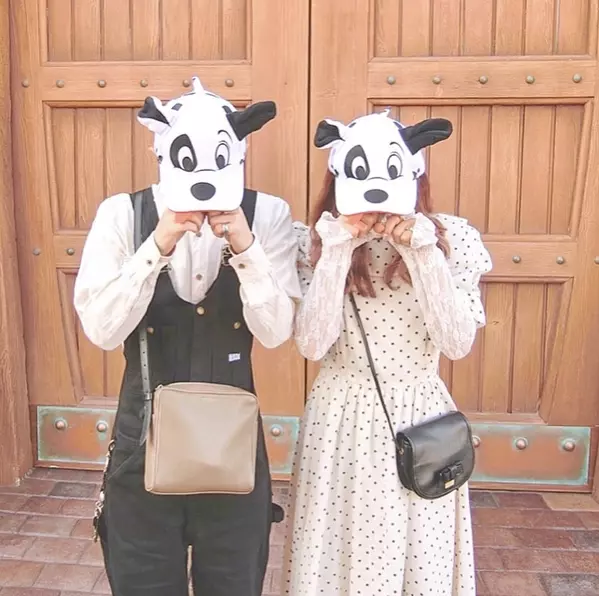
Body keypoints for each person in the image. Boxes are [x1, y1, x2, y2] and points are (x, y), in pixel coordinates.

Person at [74, 77, 301, 596]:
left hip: (234, 451)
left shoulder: (267, 215)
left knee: (235, 586)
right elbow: (102, 329)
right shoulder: (122, 214)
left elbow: (274, 332)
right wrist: (156, 245)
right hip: (141, 443)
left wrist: (245, 248)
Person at [283, 111, 493, 595]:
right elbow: (312, 343)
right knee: (337, 548)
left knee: (420, 551)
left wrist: (423, 254)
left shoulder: (451, 238)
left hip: (420, 413)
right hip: (341, 414)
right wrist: (337, 249)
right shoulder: (317, 239)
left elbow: (457, 342)